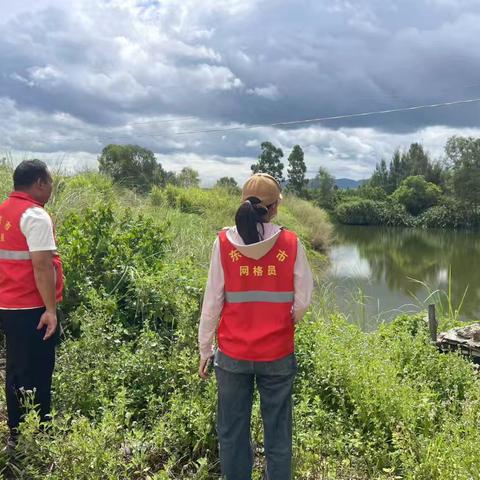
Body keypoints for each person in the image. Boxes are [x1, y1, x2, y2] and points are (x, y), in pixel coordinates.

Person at [198, 173, 313, 480]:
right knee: (278, 433)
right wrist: (284, 322)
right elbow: (302, 300)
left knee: (232, 433)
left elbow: (212, 302)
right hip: (277, 354)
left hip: (233, 356)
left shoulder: (224, 243)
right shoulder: (291, 243)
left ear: (243, 203)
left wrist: (205, 349)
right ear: (275, 207)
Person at [0, 160, 63, 452]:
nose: (51, 186)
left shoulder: (3, 211)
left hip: (7, 305)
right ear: (39, 182)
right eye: (49, 181)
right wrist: (50, 311)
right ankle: (39, 431)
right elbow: (42, 266)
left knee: (15, 368)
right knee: (38, 370)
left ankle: (16, 430)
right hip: (30, 309)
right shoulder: (35, 215)